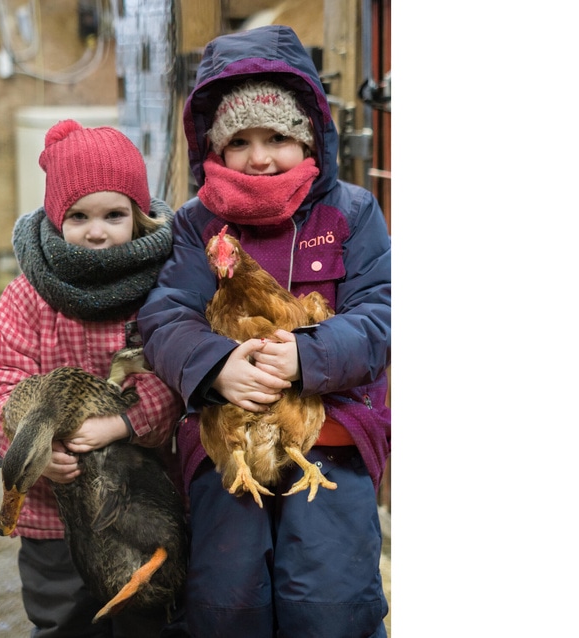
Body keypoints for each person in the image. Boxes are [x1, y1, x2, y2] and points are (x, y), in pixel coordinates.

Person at [137, 25, 391, 637]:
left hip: (329, 434)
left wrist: (309, 356)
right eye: (240, 140)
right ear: (214, 148)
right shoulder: (195, 224)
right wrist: (215, 365)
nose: (259, 157)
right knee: (228, 598)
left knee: (330, 597)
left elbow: (383, 311)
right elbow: (164, 313)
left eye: (277, 137)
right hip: (228, 436)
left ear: (309, 136)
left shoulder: (351, 213)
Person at [0, 119, 186, 638]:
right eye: (79, 215)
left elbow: (177, 372)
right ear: (55, 218)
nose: (97, 231)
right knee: (64, 620)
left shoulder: (163, 285)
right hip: (52, 517)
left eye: (114, 215)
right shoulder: (28, 296)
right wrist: (36, 453)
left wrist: (122, 425)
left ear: (138, 217)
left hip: (140, 505)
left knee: (148, 615)